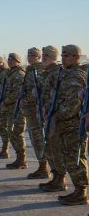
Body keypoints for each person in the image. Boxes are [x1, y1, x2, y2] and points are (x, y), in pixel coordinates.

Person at [53, 45, 87, 205]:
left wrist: (57, 115)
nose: (63, 57)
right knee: (70, 158)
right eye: (62, 55)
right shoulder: (66, 74)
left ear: (76, 58)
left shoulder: (76, 76)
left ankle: (81, 192)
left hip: (73, 125)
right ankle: (78, 190)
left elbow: (73, 105)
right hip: (66, 125)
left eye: (66, 55)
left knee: (76, 158)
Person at [39, 46, 67, 192]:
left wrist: (53, 112)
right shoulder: (47, 73)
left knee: (56, 148)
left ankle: (61, 180)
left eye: (45, 55)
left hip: (55, 116)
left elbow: (60, 95)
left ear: (52, 57)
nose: (42, 57)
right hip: (48, 116)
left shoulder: (57, 73)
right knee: (49, 148)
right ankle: (55, 177)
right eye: (42, 55)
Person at [22, 48, 49, 179]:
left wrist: (25, 100)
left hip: (36, 111)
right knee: (34, 139)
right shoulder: (30, 70)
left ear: (39, 57)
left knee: (39, 139)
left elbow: (36, 92)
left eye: (32, 55)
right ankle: (42, 166)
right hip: (30, 111)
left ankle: (44, 168)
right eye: (28, 55)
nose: (29, 57)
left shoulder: (39, 71)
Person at [0, 53, 27, 170]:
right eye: (9, 59)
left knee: (18, 134)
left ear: (18, 61)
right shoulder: (10, 74)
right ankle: (19, 158)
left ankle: (22, 160)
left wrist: (5, 101)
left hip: (18, 110)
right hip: (11, 109)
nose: (10, 61)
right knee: (12, 134)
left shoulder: (19, 74)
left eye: (13, 59)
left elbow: (17, 93)